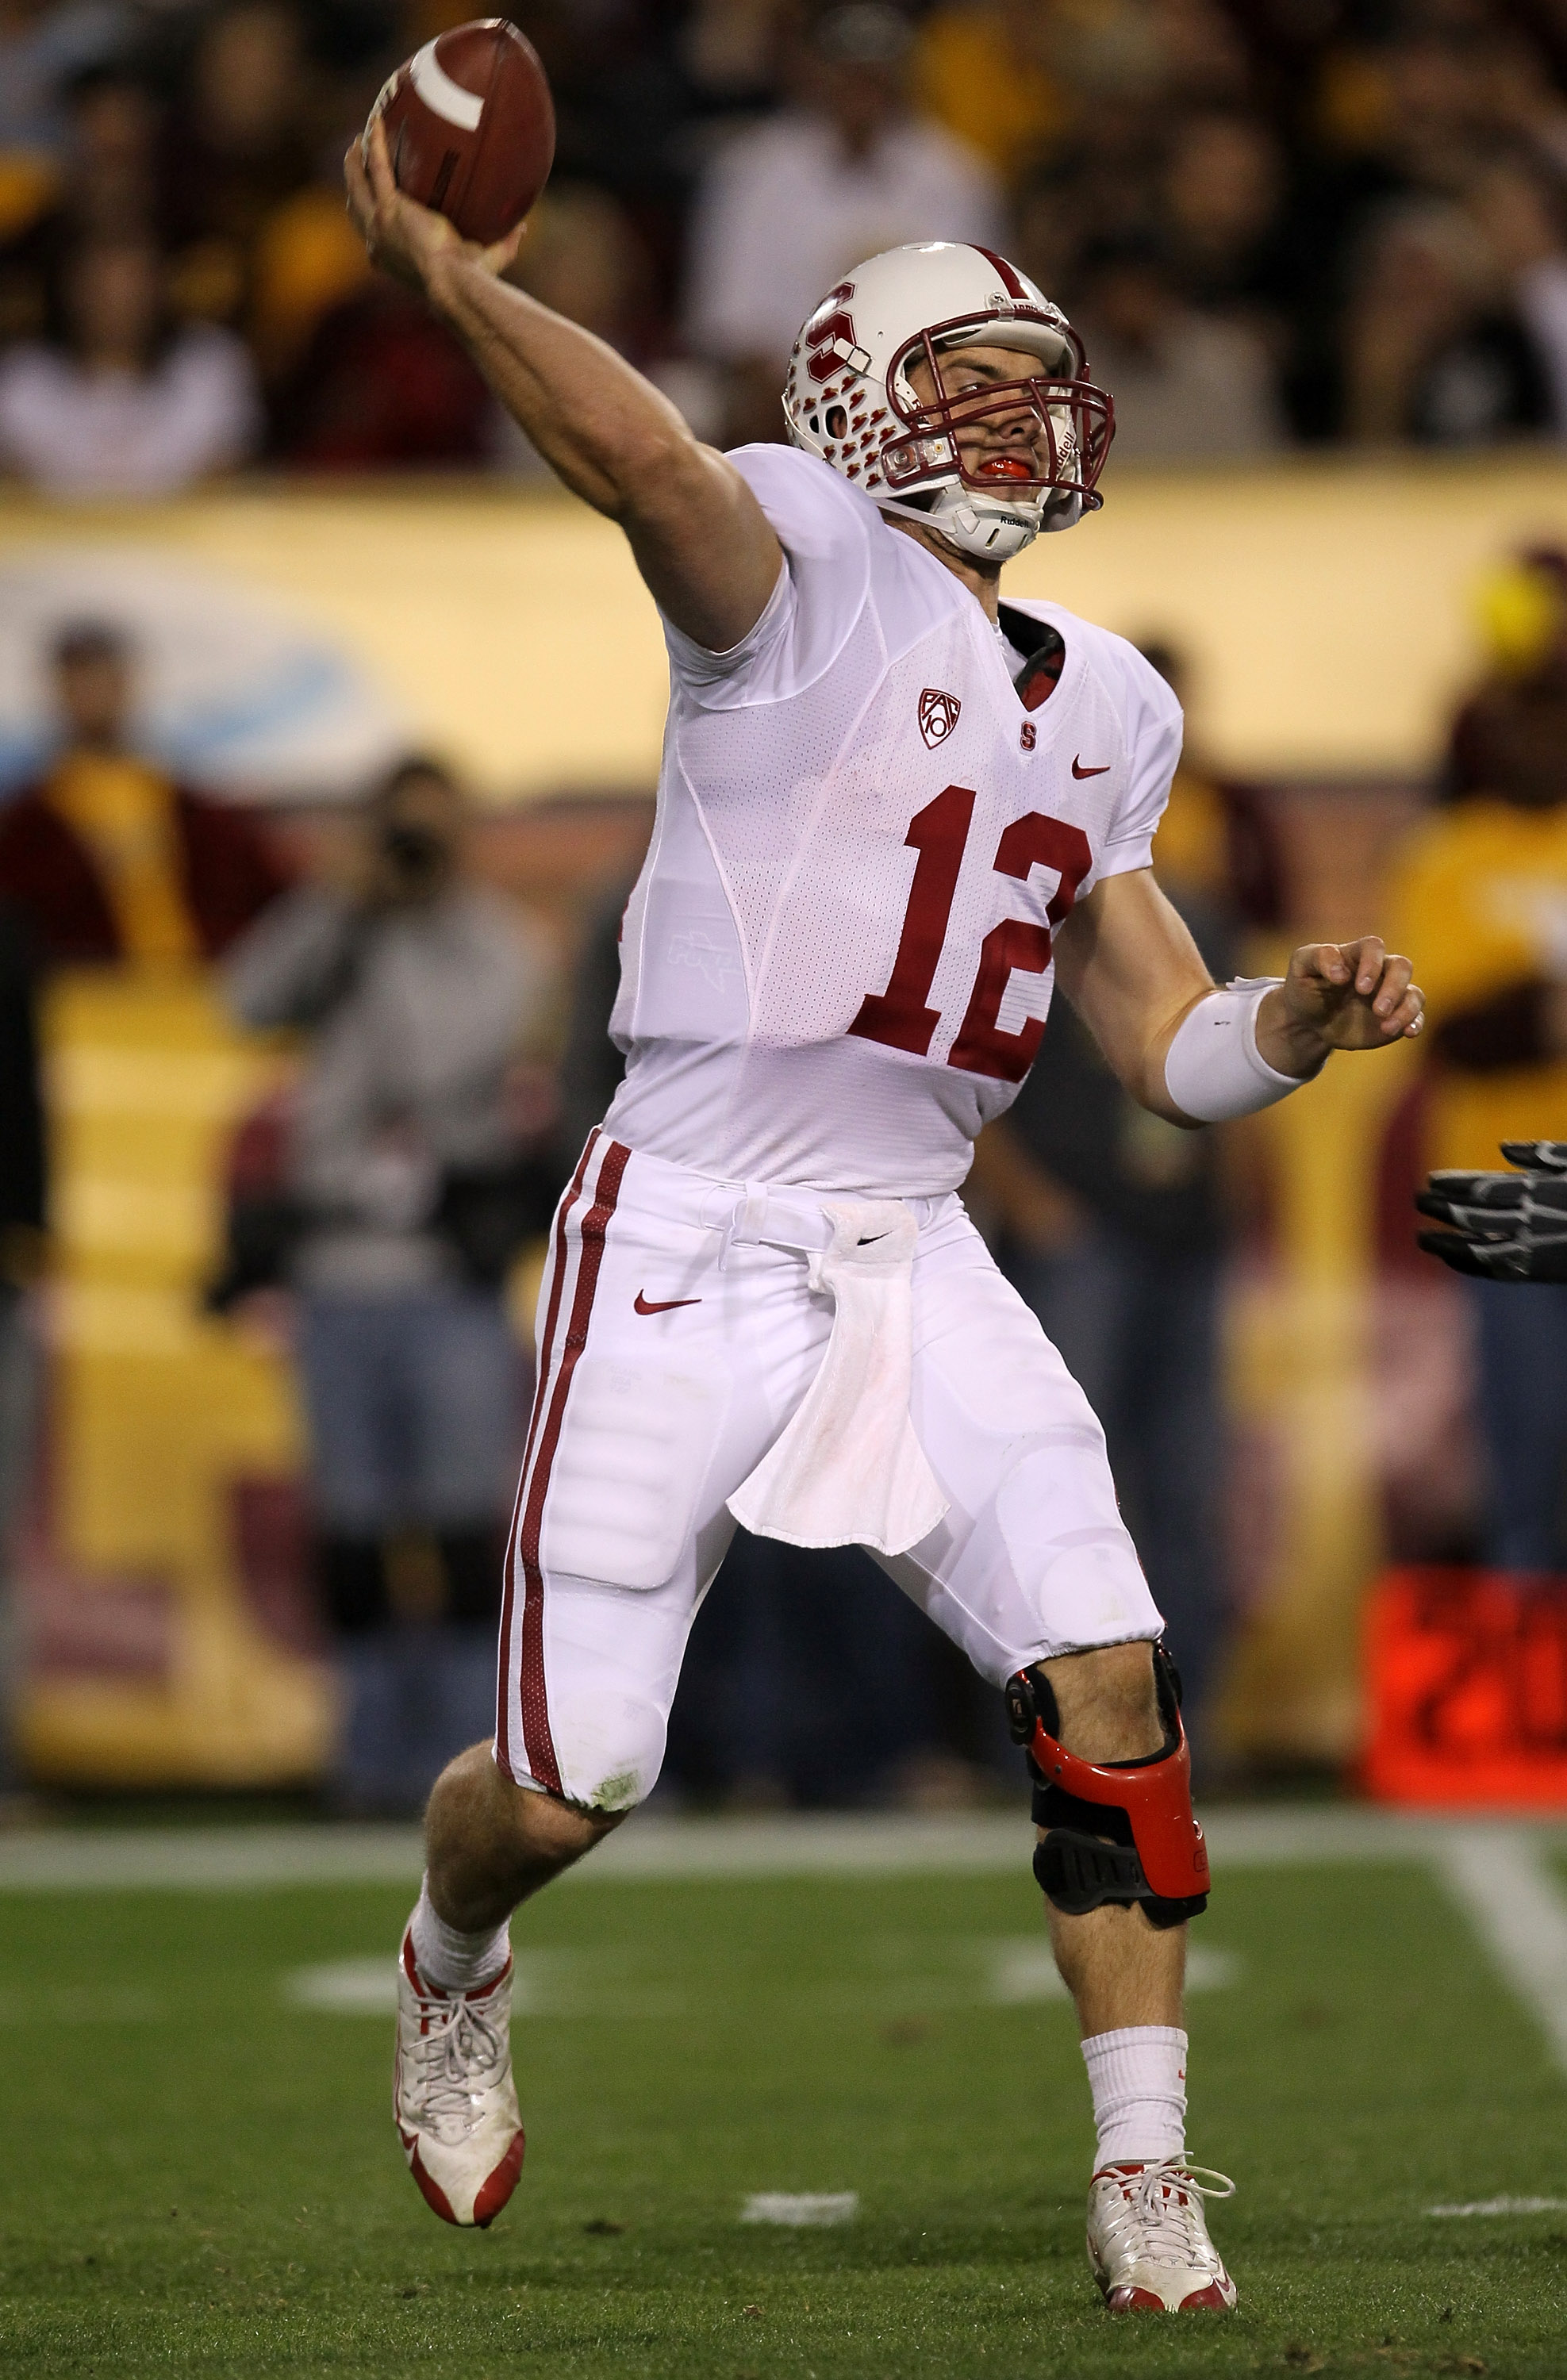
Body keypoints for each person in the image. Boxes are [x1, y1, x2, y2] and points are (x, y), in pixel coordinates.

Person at [344, 121, 1424, 2309]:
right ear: (853, 399)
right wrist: (458, 288)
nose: (1020, 408)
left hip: (909, 1239)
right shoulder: (797, 561)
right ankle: (452, 1952)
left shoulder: (1109, 700)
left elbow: (1159, 1055)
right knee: (569, 1788)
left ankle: (1141, 2173)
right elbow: (643, 463)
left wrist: (1289, 1019)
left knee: (1107, 1678)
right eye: (970, 371)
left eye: (1034, 368)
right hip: (683, 1219)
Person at [223, 758, 555, 1814]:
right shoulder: (335, 926)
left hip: (441, 1266)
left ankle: (468, 1752)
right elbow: (242, 1001)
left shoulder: (490, 941)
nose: (415, 852)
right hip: (335, 1266)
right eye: (399, 833)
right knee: (352, 1530)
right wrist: (343, 905)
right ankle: (366, 1757)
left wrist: (426, 911)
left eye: (431, 834)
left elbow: (483, 1039)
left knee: (463, 1525)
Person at [684, 1, 1000, 445]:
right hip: (784, 395)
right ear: (815, 72)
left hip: (924, 400)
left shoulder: (955, 177)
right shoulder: (751, 172)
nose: (861, 85)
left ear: (902, 74)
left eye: (874, 70)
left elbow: (980, 321)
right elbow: (735, 331)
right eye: (847, 68)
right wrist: (822, 406)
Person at [0, 620, 287, 968]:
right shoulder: (30, 823)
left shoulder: (195, 811)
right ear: (57, 691)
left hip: (201, 993)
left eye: (104, 681)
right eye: (79, 683)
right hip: (82, 997)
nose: (93, 697)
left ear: (128, 684)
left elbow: (268, 896)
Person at [0, 229, 261, 497]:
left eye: (131, 283)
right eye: (100, 287)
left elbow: (229, 475)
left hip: (183, 536)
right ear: (68, 291)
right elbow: (14, 488)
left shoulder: (209, 367)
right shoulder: (23, 379)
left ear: (160, 287)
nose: (117, 301)